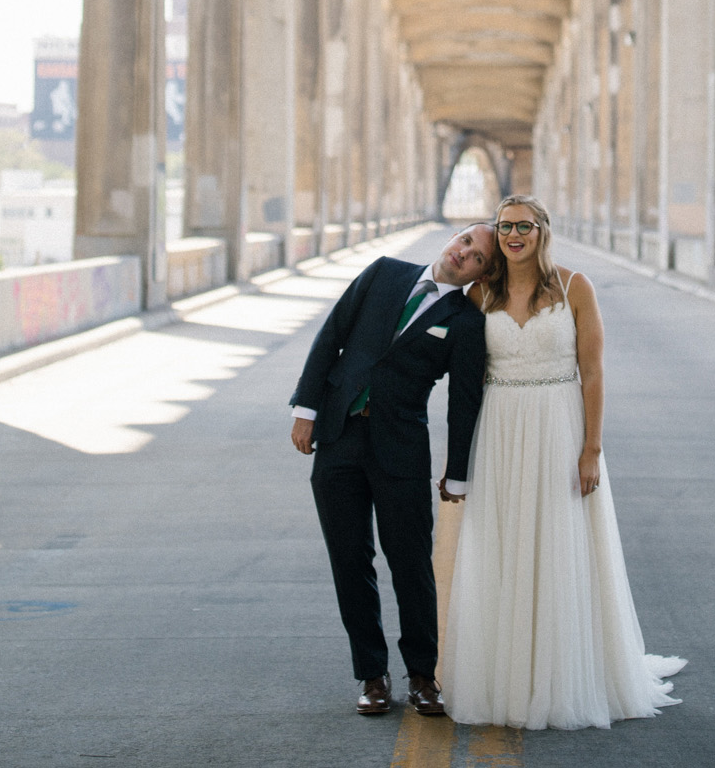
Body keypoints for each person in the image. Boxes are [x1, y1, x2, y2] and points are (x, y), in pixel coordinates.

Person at [444, 195, 684, 730]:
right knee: (505, 547)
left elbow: (593, 374)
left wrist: (591, 450)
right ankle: (509, 678)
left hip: (559, 426)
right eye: (504, 227)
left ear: (542, 231)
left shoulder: (576, 288)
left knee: (559, 547)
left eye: (523, 226)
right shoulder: (480, 292)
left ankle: (566, 676)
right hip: (501, 428)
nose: (513, 235)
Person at [290, 225, 496, 716]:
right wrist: (307, 409)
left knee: (411, 564)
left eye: (477, 257)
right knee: (350, 560)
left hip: (401, 449)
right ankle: (372, 675)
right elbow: (332, 335)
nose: (463, 253)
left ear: (483, 274)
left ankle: (424, 677)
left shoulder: (466, 322)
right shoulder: (384, 272)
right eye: (465, 240)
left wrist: (458, 471)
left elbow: (465, 403)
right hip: (338, 437)